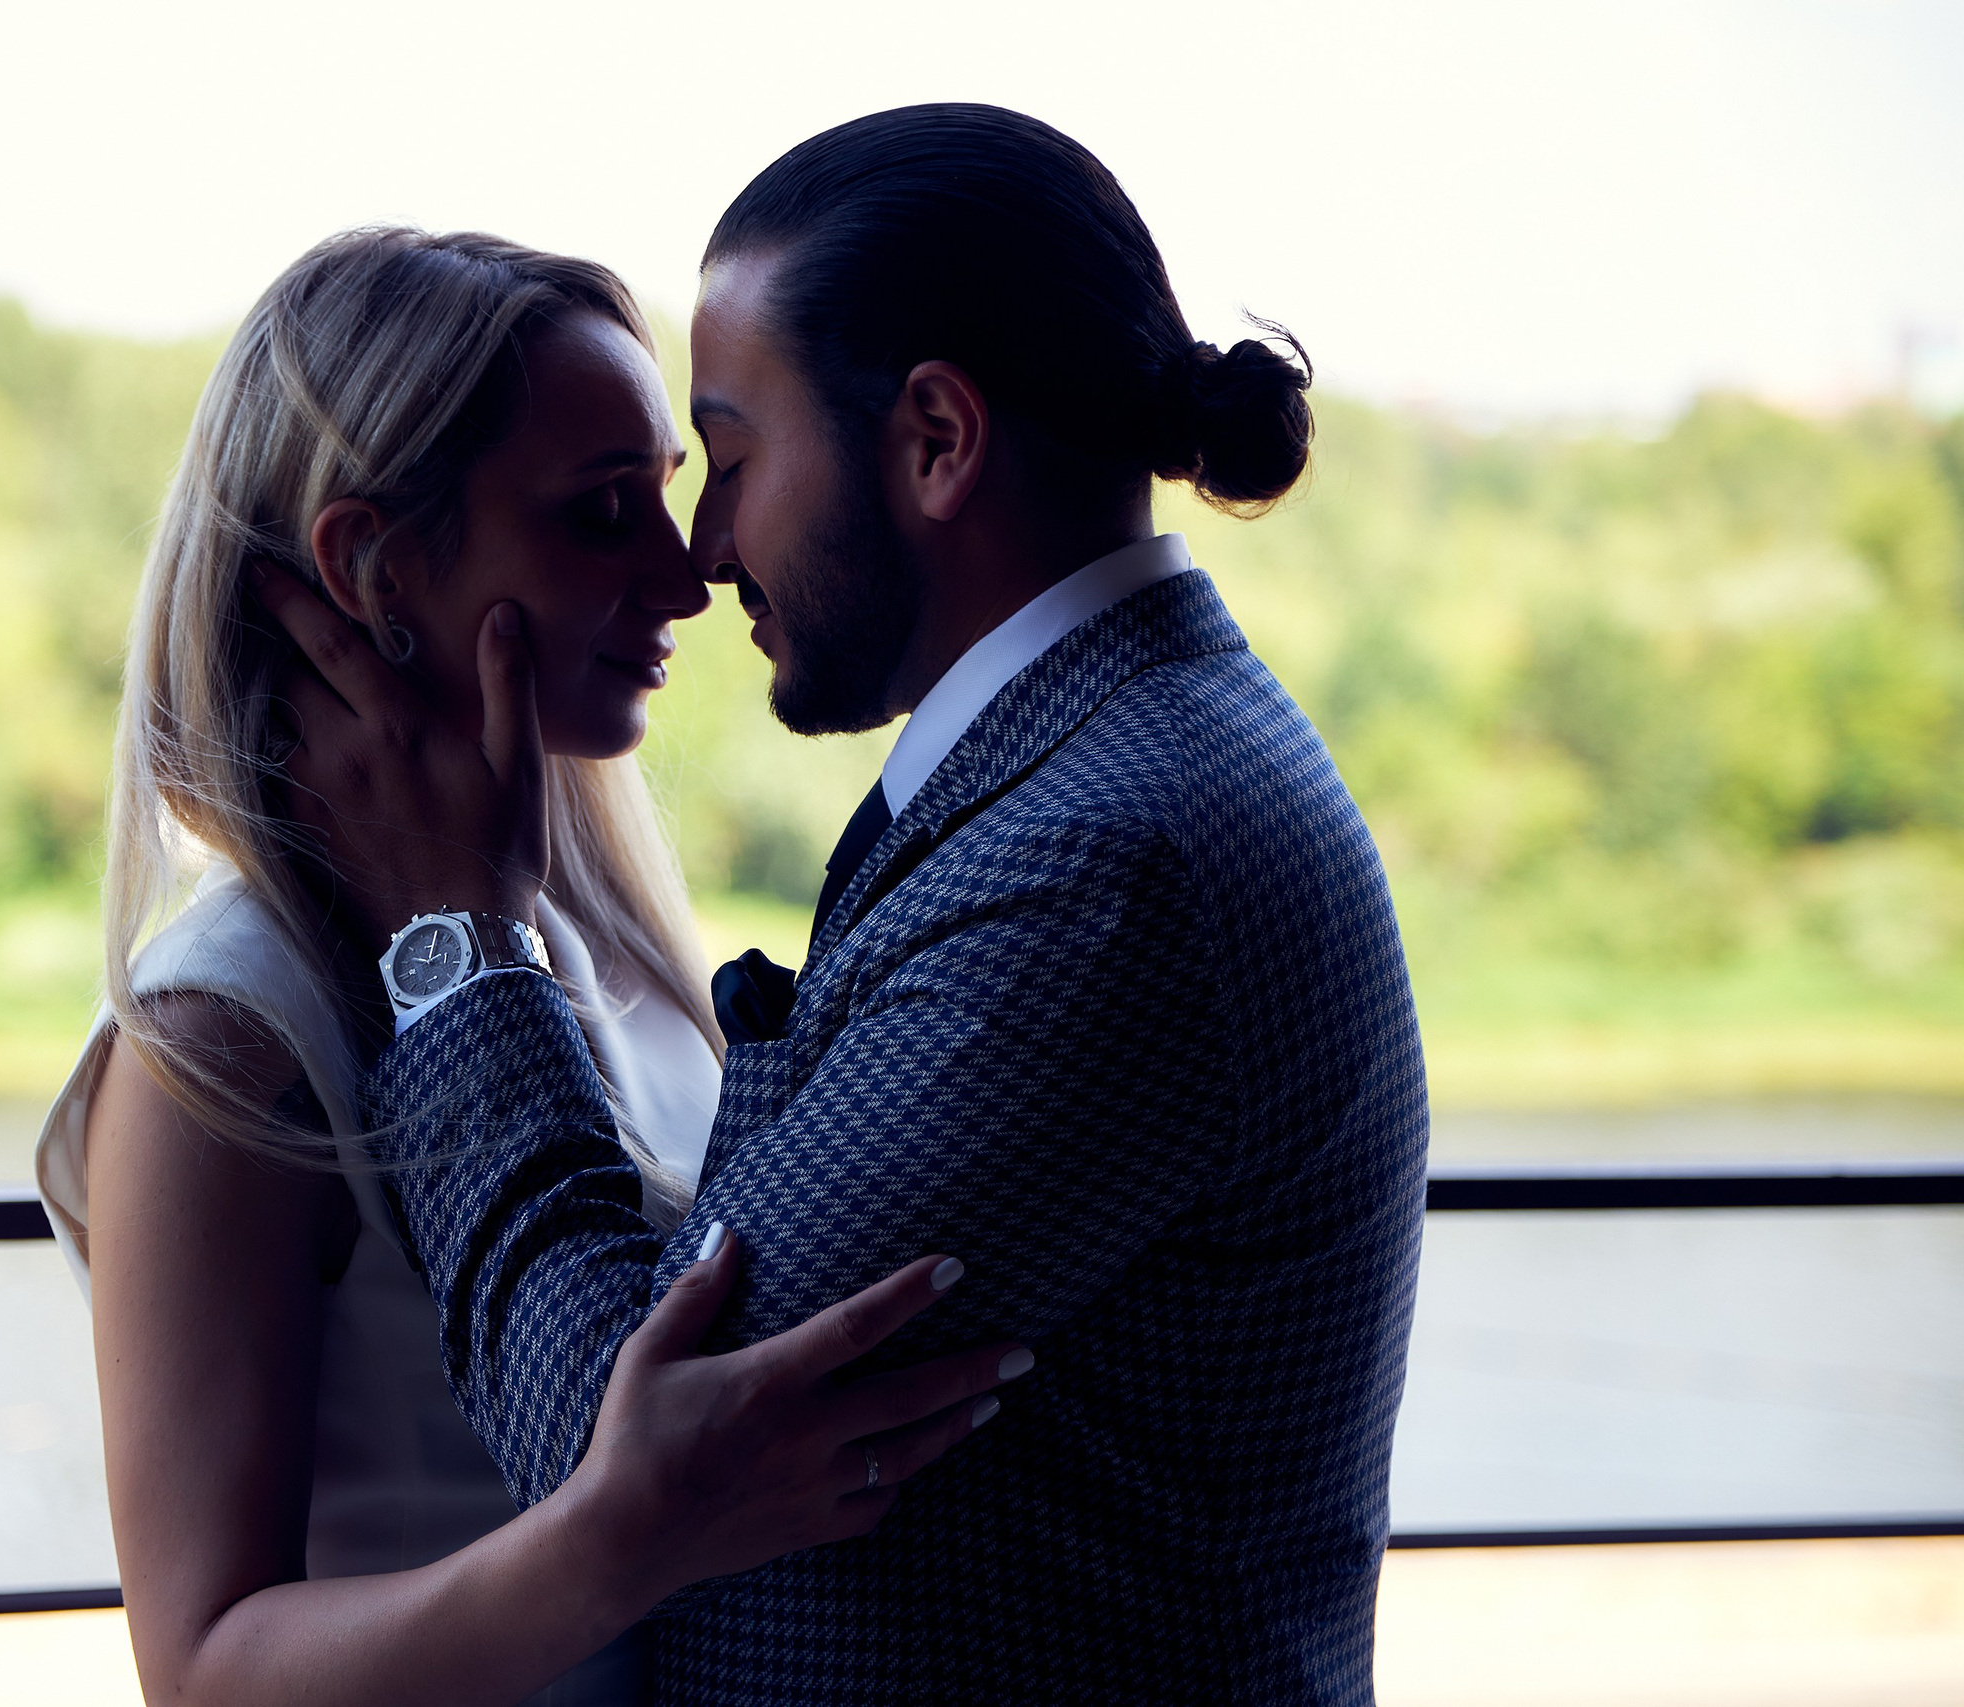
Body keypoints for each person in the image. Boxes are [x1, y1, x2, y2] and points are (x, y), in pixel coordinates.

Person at [259, 106, 1431, 1704]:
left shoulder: (1096, 866)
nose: (707, 551)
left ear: (937, 441)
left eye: (729, 461)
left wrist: (455, 941)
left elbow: (611, 1443)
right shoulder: (1111, 766)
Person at [35, 228, 1024, 1707]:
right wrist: (617, 1541)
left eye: (671, 499)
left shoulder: (598, 935)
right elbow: (205, 1671)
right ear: (369, 567)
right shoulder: (229, 1030)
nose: (688, 580)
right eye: (599, 514)